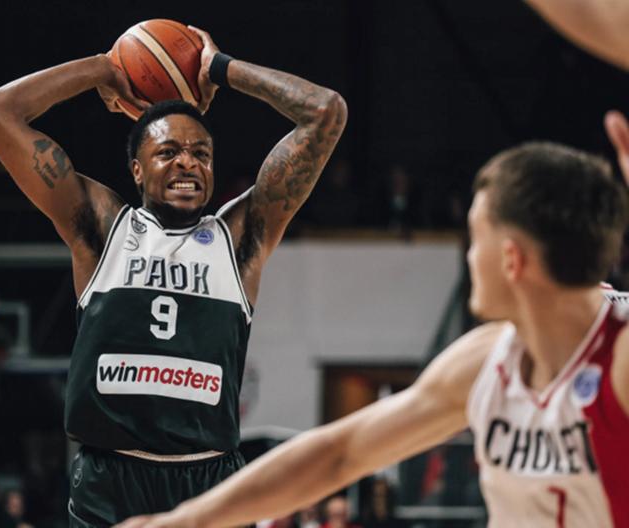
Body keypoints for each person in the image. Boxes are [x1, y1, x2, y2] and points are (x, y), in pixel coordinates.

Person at [115, 141, 629, 528]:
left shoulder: (618, 359)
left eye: (476, 238)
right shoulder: (486, 361)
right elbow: (340, 453)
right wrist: (186, 521)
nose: (468, 256)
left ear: (511, 259)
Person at [0, 25, 346, 527]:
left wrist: (220, 68)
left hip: (209, 478)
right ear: (137, 169)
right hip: (110, 476)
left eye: (201, 154)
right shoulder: (101, 227)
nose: (187, 162)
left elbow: (325, 112)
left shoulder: (240, 238)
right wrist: (106, 68)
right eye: (168, 152)